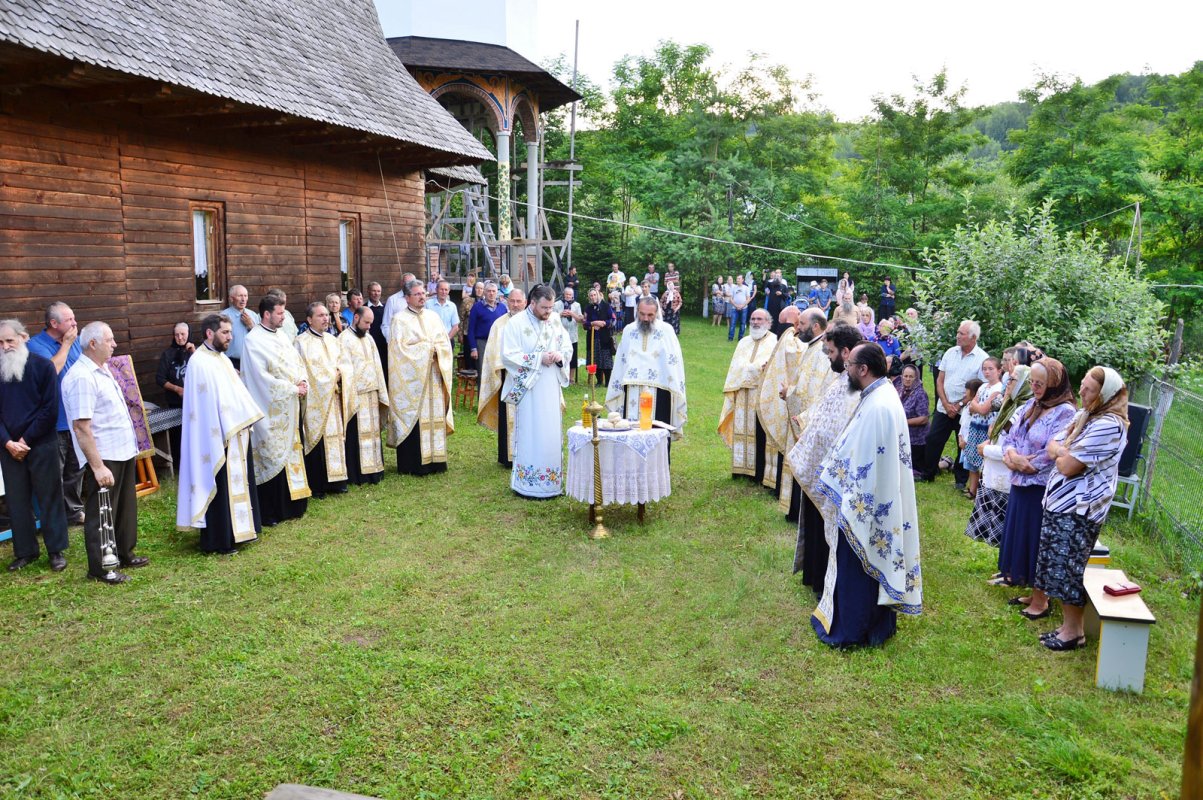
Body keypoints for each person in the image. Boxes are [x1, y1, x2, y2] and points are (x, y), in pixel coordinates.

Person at [812, 342, 922, 647]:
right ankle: (874, 626)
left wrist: (842, 489)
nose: (846, 371)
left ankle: (853, 630)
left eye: (850, 366)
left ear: (863, 369)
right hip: (876, 495)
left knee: (859, 563)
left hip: (865, 503)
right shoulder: (880, 395)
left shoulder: (878, 405)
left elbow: (863, 459)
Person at [1030, 366, 1129, 651]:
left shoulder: (1109, 424)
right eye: (1082, 386)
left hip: (1080, 508)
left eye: (1088, 390)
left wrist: (1064, 452)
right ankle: (1066, 626)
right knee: (1057, 567)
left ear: (1106, 394)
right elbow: (1052, 446)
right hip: (1060, 504)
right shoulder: (1084, 415)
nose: (1082, 393)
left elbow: (1068, 465)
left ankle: (1074, 633)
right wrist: (1064, 451)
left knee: (1069, 569)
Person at [62, 322, 146, 584]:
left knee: (123, 507)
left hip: (121, 449)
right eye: (109, 340)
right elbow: (81, 426)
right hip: (103, 454)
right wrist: (97, 466)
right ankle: (101, 567)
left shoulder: (102, 369)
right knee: (102, 512)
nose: (115, 344)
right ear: (93, 344)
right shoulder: (81, 377)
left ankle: (123, 552)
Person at [177, 315, 264, 554]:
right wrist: (228, 424)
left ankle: (243, 530)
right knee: (221, 485)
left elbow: (235, 393)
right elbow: (204, 405)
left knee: (239, 481)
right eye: (225, 333)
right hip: (215, 435)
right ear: (209, 333)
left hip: (234, 430)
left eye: (230, 332)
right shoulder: (199, 362)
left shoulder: (222, 359)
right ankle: (220, 539)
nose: (230, 337)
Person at [787, 323, 863, 592]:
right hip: (817, 462)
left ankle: (822, 580)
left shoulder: (856, 386)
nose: (827, 357)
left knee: (826, 524)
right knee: (815, 520)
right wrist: (806, 420)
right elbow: (823, 410)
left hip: (831, 470)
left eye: (830, 351)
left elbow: (839, 427)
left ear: (845, 352)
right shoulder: (843, 378)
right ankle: (814, 575)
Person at [995, 358, 1078, 594]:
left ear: (1054, 383)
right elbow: (1010, 436)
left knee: (1032, 534)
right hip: (1019, 479)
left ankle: (1032, 583)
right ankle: (1013, 573)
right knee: (1016, 529)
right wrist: (1011, 454)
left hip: (1039, 486)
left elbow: (1053, 449)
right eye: (1032, 382)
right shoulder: (1033, 403)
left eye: (1040, 383)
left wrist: (1024, 464)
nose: (1035, 387)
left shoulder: (1066, 412)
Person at [0, 319, 69, 573]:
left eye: (10, 340)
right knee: (16, 501)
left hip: (40, 443)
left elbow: (50, 410)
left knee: (49, 496)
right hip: (8, 448)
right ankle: (25, 552)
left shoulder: (43, 367)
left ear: (24, 338)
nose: (5, 346)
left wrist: (25, 441)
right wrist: (8, 442)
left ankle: (56, 550)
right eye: (0, 342)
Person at [242, 294, 311, 526]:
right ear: (267, 314)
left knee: (293, 450)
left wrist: (302, 380)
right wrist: (292, 388)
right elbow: (261, 379)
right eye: (280, 313)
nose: (284, 317)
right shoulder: (253, 341)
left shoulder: (282, 335)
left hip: (290, 405)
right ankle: (272, 511)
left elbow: (296, 361)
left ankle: (294, 504)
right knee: (271, 455)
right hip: (269, 409)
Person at [499, 285, 572, 499]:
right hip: (530, 388)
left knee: (550, 430)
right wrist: (539, 358)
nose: (548, 312)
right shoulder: (516, 324)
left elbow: (567, 347)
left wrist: (559, 356)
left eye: (551, 307)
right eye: (544, 308)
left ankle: (551, 483)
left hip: (550, 385)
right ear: (532, 303)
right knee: (531, 431)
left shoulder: (556, 320)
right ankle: (527, 484)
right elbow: (509, 356)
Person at [26, 301, 85, 525]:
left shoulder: (77, 342)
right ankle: (53, 517)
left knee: (75, 467)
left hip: (77, 416)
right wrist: (67, 345)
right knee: (54, 473)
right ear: (53, 323)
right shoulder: (36, 345)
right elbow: (50, 372)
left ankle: (73, 511)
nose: (75, 323)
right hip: (55, 420)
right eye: (69, 319)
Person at [387, 280, 454, 476]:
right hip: (412, 382)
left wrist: (437, 350)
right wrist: (427, 349)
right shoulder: (399, 320)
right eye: (417, 294)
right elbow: (399, 351)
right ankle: (414, 464)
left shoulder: (433, 317)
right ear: (407, 298)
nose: (422, 297)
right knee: (414, 417)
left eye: (423, 293)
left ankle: (436, 460)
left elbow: (445, 344)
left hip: (433, 375)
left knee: (434, 417)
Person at [605, 296, 688, 449]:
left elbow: (674, 362)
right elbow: (621, 362)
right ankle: (629, 470)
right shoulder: (629, 330)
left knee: (658, 435)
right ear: (637, 311)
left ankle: (658, 471)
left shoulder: (667, 331)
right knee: (629, 431)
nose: (645, 318)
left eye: (650, 315)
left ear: (657, 313)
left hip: (660, 390)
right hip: (631, 390)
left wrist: (675, 386)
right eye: (642, 314)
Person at [777, 308, 835, 521]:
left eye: (801, 323)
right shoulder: (812, 347)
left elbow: (813, 393)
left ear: (816, 326)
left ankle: (801, 512)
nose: (797, 327)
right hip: (803, 416)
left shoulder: (821, 352)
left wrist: (788, 393)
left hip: (810, 420)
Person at [966, 365, 1031, 552]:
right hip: (993, 472)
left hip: (1005, 476)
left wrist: (986, 450)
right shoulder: (1011, 404)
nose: (1007, 384)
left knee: (1005, 532)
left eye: (1011, 380)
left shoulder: (1023, 410)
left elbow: (1013, 448)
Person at [294, 302, 352, 498]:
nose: (326, 319)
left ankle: (338, 481)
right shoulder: (301, 342)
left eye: (327, 315)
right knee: (317, 439)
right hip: (315, 401)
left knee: (336, 438)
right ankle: (318, 485)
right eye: (320, 316)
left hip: (334, 399)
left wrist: (341, 373)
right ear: (309, 319)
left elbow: (345, 363)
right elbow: (307, 371)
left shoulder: (332, 339)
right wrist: (331, 377)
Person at [921, 320, 988, 486]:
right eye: (958, 332)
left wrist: (958, 405)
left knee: (963, 444)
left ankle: (960, 480)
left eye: (961, 333)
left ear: (973, 337)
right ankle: (927, 474)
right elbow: (940, 379)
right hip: (943, 408)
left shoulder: (982, 359)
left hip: (965, 411)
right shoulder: (950, 352)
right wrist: (945, 403)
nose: (957, 336)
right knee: (933, 439)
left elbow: (980, 388)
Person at [719, 308, 777, 482]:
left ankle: (758, 473)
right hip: (742, 393)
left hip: (761, 395)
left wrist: (751, 370)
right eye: (753, 319)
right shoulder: (743, 342)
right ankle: (740, 469)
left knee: (759, 434)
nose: (755, 322)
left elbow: (771, 368)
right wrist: (751, 370)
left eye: (759, 319)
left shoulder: (774, 341)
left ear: (768, 322)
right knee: (741, 431)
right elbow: (736, 366)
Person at [338, 305, 389, 485]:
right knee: (356, 434)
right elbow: (343, 369)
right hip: (356, 395)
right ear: (356, 318)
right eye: (366, 322)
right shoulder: (343, 339)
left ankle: (375, 470)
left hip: (372, 394)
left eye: (371, 323)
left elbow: (377, 366)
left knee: (373, 434)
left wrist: (380, 390)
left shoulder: (369, 339)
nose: (369, 327)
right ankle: (358, 474)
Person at [478, 290, 527, 467]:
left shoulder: (532, 323)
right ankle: (508, 457)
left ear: (525, 302)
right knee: (508, 418)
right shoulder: (499, 324)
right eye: (512, 301)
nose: (515, 304)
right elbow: (492, 354)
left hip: (529, 377)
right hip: (507, 377)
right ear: (507, 301)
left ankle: (528, 453)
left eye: (518, 301)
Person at [757, 305, 803, 495]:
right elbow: (796, 355)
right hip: (786, 396)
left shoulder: (788, 338)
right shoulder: (790, 338)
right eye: (799, 315)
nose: (801, 318)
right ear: (792, 319)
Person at [961, 357, 1004, 499]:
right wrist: (977, 407)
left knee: (984, 459)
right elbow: (972, 406)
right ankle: (972, 489)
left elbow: (985, 409)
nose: (987, 372)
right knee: (972, 457)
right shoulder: (982, 386)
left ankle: (982, 490)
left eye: (990, 369)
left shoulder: (999, 388)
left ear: (999, 370)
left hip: (987, 427)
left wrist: (977, 407)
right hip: (975, 425)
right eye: (984, 369)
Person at [894, 363, 929, 475]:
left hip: (916, 440)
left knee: (913, 470)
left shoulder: (920, 394)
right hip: (901, 435)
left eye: (911, 377)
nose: (907, 379)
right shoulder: (899, 390)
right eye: (905, 376)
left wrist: (903, 422)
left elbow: (924, 419)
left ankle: (945, 463)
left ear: (916, 378)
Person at [466, 281, 507, 374]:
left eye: (493, 291)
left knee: (499, 372)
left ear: (497, 292)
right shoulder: (476, 307)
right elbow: (471, 329)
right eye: (489, 291)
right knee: (483, 372)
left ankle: (498, 389)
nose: (491, 293)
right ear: (484, 292)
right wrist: (473, 348)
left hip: (498, 343)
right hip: (482, 343)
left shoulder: (502, 308)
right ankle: (482, 389)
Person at [583, 287, 617, 388]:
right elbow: (585, 324)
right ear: (589, 297)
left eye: (594, 295)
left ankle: (607, 381)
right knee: (595, 359)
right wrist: (593, 323)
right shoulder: (588, 308)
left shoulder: (606, 306)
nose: (593, 297)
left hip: (605, 337)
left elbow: (613, 320)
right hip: (592, 337)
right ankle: (599, 381)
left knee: (606, 359)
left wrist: (603, 323)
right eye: (591, 296)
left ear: (598, 295)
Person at [155, 322, 192, 409]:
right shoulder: (168, 354)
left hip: (195, 398)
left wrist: (194, 353)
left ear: (189, 334)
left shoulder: (196, 352)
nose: (180, 338)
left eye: (183, 334)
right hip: (175, 402)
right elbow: (160, 379)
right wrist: (177, 389)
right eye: (176, 335)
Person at [219, 285, 255, 370]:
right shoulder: (224, 316)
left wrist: (251, 326)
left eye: (245, 296)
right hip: (232, 363)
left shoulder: (253, 315)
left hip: (251, 362)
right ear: (231, 299)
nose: (243, 299)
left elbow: (260, 340)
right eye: (240, 296)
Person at [553, 287, 583, 384]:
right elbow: (551, 318)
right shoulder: (557, 304)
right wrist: (560, 314)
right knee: (560, 356)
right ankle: (560, 376)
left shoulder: (577, 305)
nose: (568, 297)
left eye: (570, 295)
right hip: (559, 335)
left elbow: (580, 320)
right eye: (567, 294)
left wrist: (572, 314)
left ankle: (571, 378)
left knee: (573, 357)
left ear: (573, 295)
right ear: (564, 294)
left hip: (572, 335)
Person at [380, 272, 418, 347]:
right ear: (402, 283)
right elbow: (386, 324)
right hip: (397, 344)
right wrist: (392, 342)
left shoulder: (418, 299)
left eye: (412, 283)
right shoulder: (392, 300)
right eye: (407, 282)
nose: (409, 285)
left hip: (416, 344)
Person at [425, 279, 461, 344]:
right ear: (436, 290)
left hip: (448, 341)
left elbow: (455, 327)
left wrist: (447, 340)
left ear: (449, 291)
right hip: (431, 341)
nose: (444, 292)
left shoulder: (452, 306)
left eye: (446, 289)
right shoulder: (428, 304)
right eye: (441, 289)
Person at [728, 274, 754, 341]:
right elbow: (730, 299)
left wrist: (742, 306)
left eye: (739, 278)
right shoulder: (733, 288)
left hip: (744, 308)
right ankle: (730, 338)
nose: (737, 280)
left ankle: (740, 338)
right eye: (737, 278)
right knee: (732, 323)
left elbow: (748, 299)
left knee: (742, 323)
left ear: (742, 280)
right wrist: (736, 306)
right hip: (734, 308)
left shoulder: (746, 288)